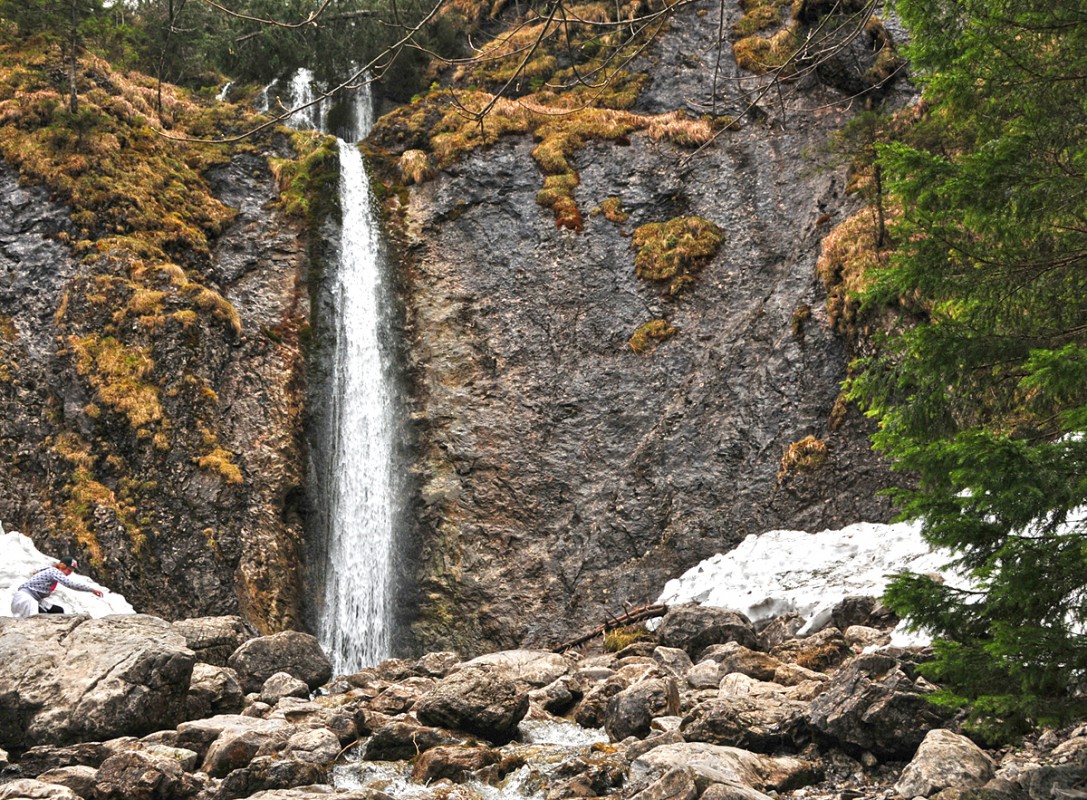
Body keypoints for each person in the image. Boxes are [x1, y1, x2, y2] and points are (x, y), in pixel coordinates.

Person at [10, 557, 104, 618]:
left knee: (58, 611)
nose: (69, 573)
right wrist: (91, 589)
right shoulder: (54, 571)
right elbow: (70, 584)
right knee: (42, 617)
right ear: (62, 566)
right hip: (25, 599)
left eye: (71, 571)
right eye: (69, 570)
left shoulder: (50, 570)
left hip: (33, 599)